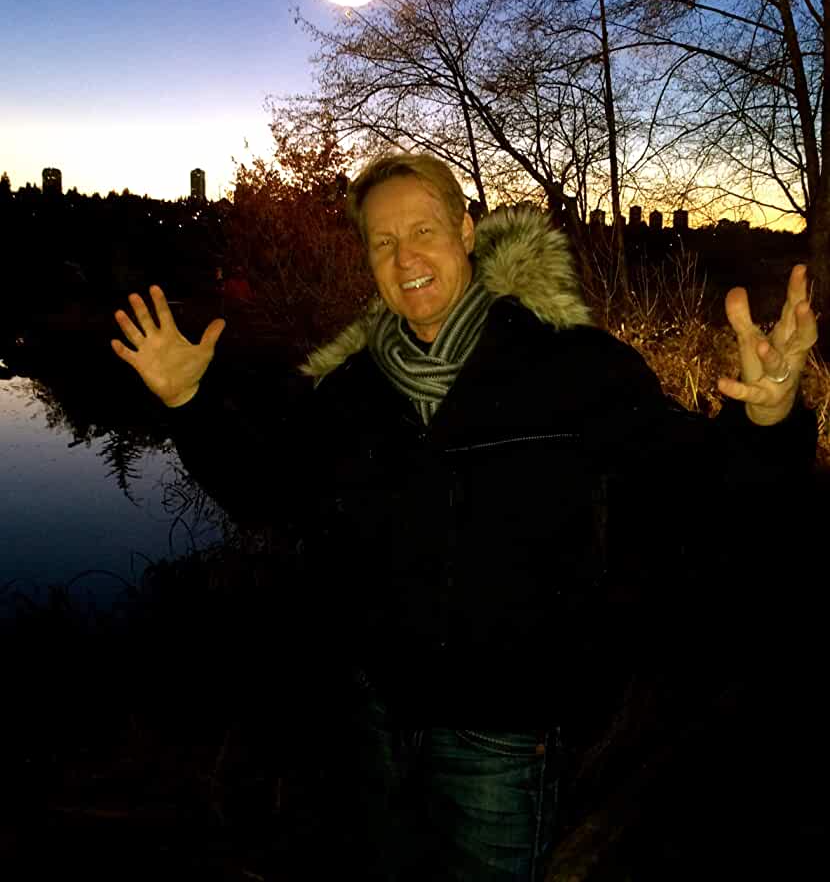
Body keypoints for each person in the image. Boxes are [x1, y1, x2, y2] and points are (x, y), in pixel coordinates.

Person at [111, 153, 817, 881]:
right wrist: (189, 406)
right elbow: (270, 495)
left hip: (504, 737)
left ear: (466, 232)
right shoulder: (350, 393)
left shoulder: (571, 368)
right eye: (383, 243)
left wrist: (769, 418)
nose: (405, 258)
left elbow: (701, 485)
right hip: (375, 722)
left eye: (423, 231)